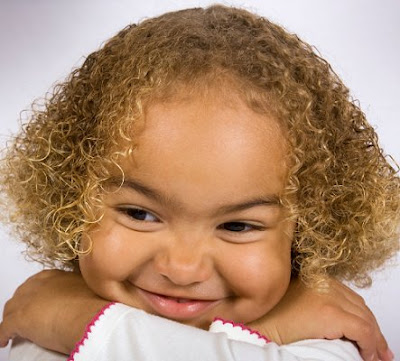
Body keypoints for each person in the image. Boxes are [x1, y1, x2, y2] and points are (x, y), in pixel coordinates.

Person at [0, 4, 399, 361]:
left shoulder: (328, 340)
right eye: (140, 214)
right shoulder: (39, 340)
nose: (182, 269)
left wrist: (75, 319)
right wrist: (263, 335)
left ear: (310, 232)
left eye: (237, 226)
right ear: (70, 199)